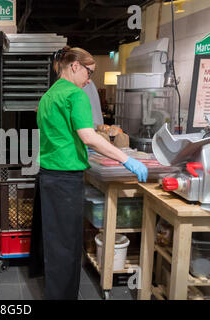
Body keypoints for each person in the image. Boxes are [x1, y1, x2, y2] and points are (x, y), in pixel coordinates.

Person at [34, 46, 147, 300]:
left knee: (56, 246)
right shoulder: (76, 95)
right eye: (89, 73)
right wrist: (126, 159)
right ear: (75, 66)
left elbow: (62, 135)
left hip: (48, 177)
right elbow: (88, 137)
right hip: (65, 180)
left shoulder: (48, 96)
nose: (89, 80)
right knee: (67, 248)